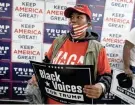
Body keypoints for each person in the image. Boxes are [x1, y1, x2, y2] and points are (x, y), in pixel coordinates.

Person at [25, 4, 112, 104]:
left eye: (79, 17)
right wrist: (37, 75)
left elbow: (107, 75)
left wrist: (101, 87)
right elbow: (46, 63)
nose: (73, 20)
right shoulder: (58, 41)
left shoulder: (97, 48)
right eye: (71, 17)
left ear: (88, 24)